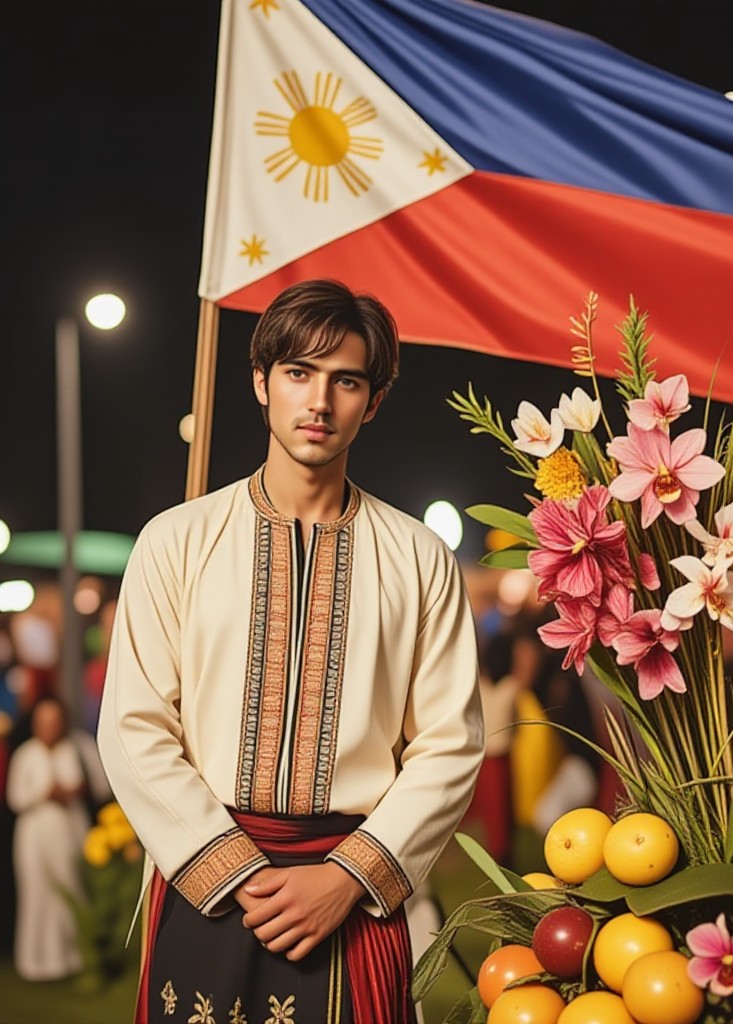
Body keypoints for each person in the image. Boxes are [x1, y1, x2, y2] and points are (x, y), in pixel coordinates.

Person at [97, 279, 484, 1024]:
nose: (319, 401)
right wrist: (232, 869)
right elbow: (134, 727)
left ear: (373, 401)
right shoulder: (175, 541)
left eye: (346, 380)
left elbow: (450, 745)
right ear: (259, 382)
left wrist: (347, 876)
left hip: (352, 894)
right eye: (299, 373)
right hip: (206, 882)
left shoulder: (419, 557)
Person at [7, 696, 110, 980]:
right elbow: (15, 797)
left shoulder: (74, 748)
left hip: (69, 832)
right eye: (44, 722)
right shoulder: (26, 754)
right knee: (37, 894)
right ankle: (35, 963)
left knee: (70, 891)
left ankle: (73, 959)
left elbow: (93, 786)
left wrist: (73, 791)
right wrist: (43, 793)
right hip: (34, 835)